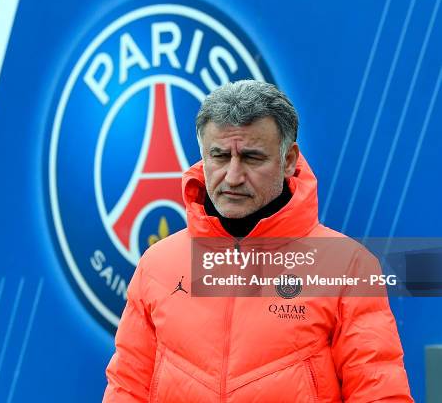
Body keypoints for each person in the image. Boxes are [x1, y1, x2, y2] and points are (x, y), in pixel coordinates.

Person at [102, 80, 413, 402]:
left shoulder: (346, 265)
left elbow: (379, 392)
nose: (233, 176)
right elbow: (127, 387)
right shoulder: (157, 263)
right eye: (220, 156)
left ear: (289, 160)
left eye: (251, 158)